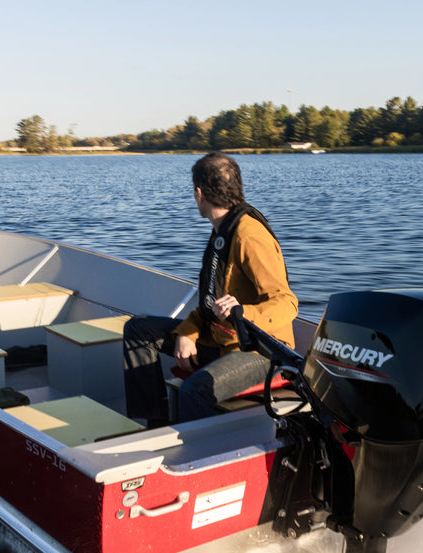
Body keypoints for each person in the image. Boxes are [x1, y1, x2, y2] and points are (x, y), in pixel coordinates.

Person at [123, 152, 298, 426]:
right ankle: (154, 428)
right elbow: (210, 304)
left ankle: (200, 458)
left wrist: (244, 312)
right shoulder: (222, 230)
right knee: (138, 330)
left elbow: (287, 303)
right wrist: (187, 333)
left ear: (199, 193)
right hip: (219, 338)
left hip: (259, 352)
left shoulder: (249, 236)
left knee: (195, 391)